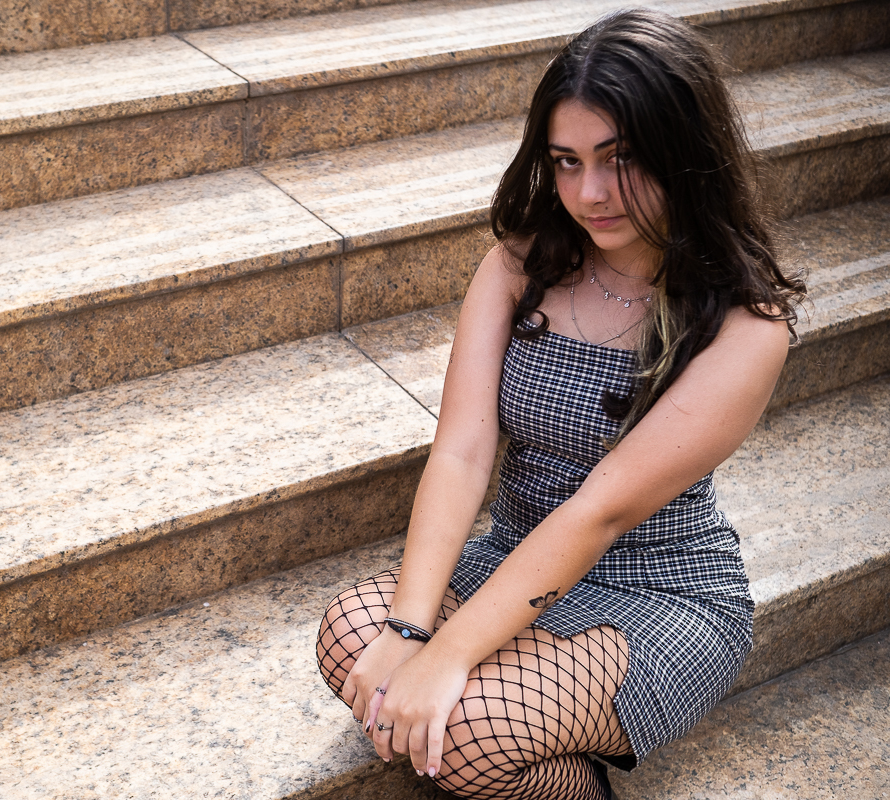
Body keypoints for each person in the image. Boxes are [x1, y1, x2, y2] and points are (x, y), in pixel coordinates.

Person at [315, 8, 806, 799]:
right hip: (515, 553)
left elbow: (599, 512)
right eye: (566, 162)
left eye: (620, 159)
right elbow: (462, 451)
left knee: (470, 732)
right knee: (352, 636)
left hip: (659, 591)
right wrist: (409, 628)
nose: (589, 193)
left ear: (685, 151)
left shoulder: (746, 326)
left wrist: (448, 656)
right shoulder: (518, 267)